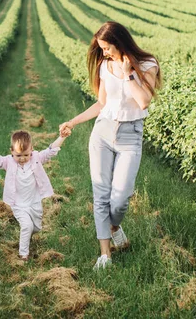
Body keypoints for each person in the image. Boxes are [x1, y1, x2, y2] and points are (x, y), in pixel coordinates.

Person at [60, 21, 161, 270]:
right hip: (103, 134)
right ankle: (105, 255)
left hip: (130, 135)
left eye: (106, 48)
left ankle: (113, 225)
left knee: (121, 197)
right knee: (101, 193)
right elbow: (101, 104)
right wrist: (73, 122)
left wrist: (128, 74)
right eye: (101, 49)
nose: (103, 53)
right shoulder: (105, 66)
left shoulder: (147, 65)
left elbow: (143, 101)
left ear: (120, 42)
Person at [0, 130, 66, 260]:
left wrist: (61, 137)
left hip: (34, 203)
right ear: (11, 151)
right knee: (27, 225)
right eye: (18, 155)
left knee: (36, 228)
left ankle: (26, 235)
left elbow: (51, 151)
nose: (22, 158)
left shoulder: (37, 158)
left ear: (32, 150)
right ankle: (23, 255)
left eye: (26, 155)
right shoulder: (8, 162)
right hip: (18, 204)